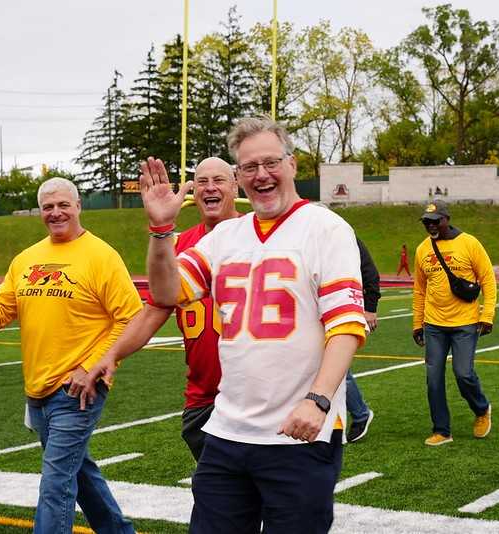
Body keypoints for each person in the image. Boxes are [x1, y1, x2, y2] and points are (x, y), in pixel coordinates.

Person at [141, 116, 366, 533]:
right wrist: (160, 230)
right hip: (228, 431)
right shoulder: (227, 236)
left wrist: (317, 401)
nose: (261, 174)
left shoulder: (326, 228)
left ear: (293, 165)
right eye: (249, 167)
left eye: (270, 163)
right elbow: (168, 291)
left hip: (299, 434)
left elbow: (346, 325)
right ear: (239, 176)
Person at [0, 177, 141, 534]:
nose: (55, 213)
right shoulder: (27, 259)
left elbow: (131, 318)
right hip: (37, 392)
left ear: (78, 206)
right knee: (79, 474)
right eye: (48, 207)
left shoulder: (102, 256)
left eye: (63, 205)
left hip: (78, 390)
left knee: (55, 485)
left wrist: (91, 367)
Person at [79, 156, 240, 461]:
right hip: (202, 398)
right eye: (201, 181)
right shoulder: (181, 244)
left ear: (236, 185)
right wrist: (112, 354)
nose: (209, 188)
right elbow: (155, 309)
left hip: (251, 398)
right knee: (218, 502)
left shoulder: (258, 237)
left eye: (218, 180)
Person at [412, 199, 497, 447]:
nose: (431, 226)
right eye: (427, 222)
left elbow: (488, 281)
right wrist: (417, 323)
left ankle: (481, 409)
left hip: (465, 322)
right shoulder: (422, 250)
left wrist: (487, 315)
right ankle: (442, 430)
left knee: (463, 373)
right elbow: (419, 290)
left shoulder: (469, 243)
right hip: (434, 324)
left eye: (435, 220)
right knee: (433, 378)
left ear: (447, 219)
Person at [346, 238, 380, 443]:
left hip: (344, 308)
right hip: (315, 310)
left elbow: (370, 272)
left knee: (338, 369)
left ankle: (360, 413)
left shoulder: (342, 234)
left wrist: (370, 308)